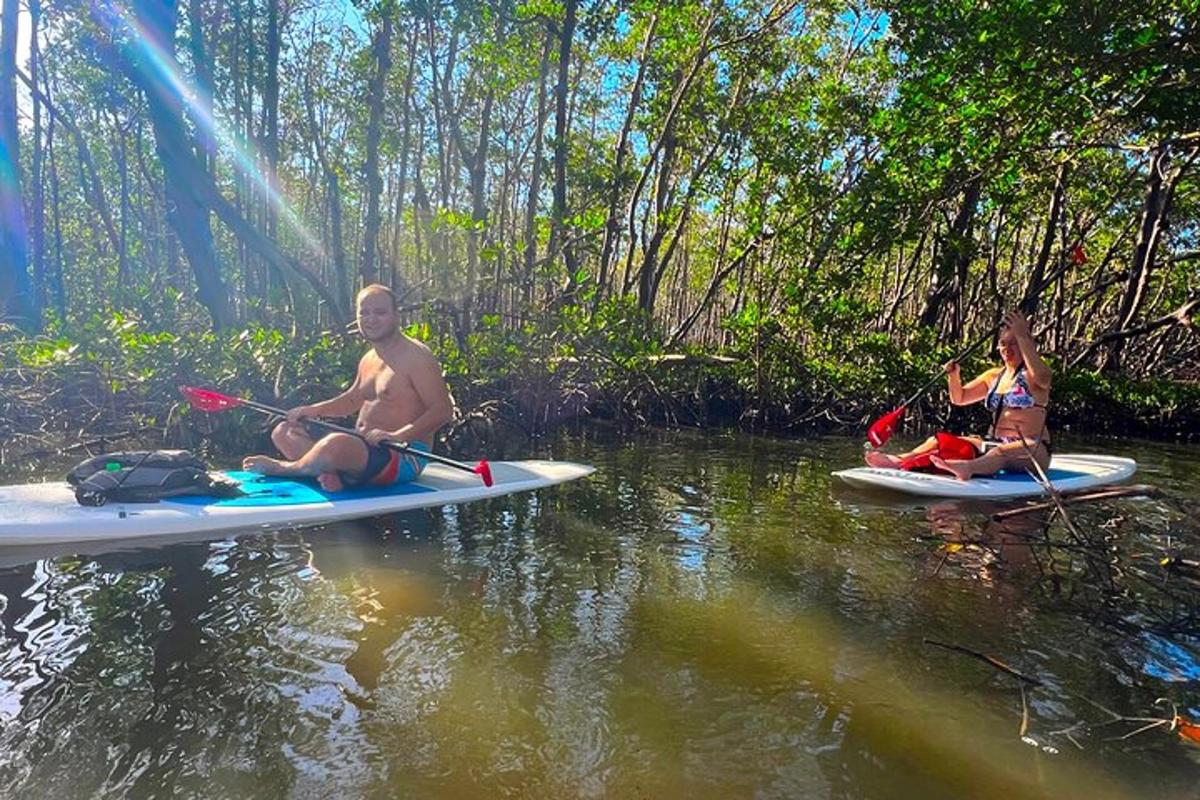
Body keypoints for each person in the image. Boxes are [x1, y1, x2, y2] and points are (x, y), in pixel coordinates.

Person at [242, 284, 455, 491]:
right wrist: (311, 410)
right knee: (284, 431)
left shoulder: (417, 357)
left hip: (403, 454)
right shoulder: (369, 358)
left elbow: (443, 411)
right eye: (365, 313)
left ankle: (285, 469)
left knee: (335, 445)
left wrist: (399, 435)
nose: (371, 319)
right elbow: (352, 400)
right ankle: (335, 474)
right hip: (364, 447)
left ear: (396, 315)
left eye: (380, 312)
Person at [864, 310, 1051, 481]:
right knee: (936, 440)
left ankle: (968, 468)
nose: (1008, 349)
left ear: (1025, 345)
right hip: (993, 442)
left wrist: (1021, 334)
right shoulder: (993, 376)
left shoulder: (1035, 376)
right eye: (1003, 344)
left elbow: (1042, 376)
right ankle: (899, 461)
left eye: (1014, 344)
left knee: (1000, 452)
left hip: (1032, 447)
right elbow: (959, 398)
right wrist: (954, 376)